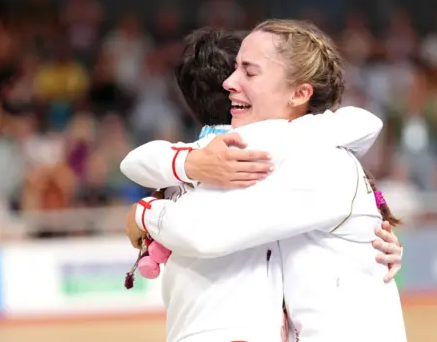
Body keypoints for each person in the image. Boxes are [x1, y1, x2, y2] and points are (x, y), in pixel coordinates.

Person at [121, 25, 404, 342]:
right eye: (234, 69)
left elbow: (205, 234)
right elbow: (362, 123)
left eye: (249, 72)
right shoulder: (278, 152)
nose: (231, 83)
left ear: (299, 92)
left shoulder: (310, 161)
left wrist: (143, 212)